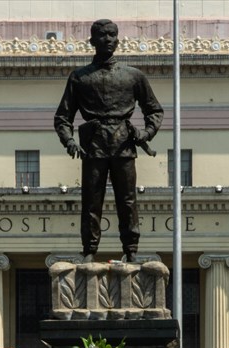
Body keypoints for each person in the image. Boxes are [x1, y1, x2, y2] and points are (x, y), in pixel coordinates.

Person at [54, 18, 164, 261]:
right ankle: (90, 251)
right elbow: (63, 117)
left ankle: (131, 250)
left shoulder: (133, 76)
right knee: (91, 202)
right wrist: (69, 142)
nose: (108, 39)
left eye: (112, 35)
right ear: (92, 41)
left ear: (118, 39)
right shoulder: (79, 77)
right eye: (102, 35)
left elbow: (154, 110)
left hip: (124, 144)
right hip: (94, 146)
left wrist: (145, 134)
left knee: (128, 202)